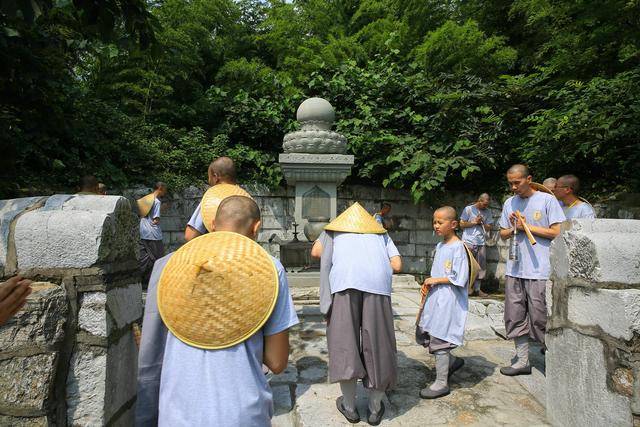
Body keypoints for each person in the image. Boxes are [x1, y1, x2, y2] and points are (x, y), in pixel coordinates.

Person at [136, 196, 298, 426]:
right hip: (242, 413)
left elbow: (153, 346)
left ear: (212, 224)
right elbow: (277, 361)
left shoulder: (167, 265)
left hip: (176, 413)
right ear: (256, 228)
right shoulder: (270, 269)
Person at [311, 202, 401, 425]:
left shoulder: (334, 230)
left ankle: (350, 407)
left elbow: (315, 252)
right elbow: (397, 265)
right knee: (378, 345)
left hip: (344, 284)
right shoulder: (380, 234)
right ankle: (374, 408)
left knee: (344, 344)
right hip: (377, 286)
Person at [498, 164, 565, 376]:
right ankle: (522, 361)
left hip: (540, 270)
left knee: (540, 317)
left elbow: (557, 232)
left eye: (517, 182)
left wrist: (528, 227)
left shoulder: (547, 200)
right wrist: (513, 227)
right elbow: (502, 234)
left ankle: (555, 361)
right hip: (515, 268)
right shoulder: (510, 203)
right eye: (510, 183)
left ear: (529, 179)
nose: (513, 187)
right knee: (514, 315)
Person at [416, 206, 477, 399]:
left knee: (440, 338)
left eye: (440, 222)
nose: (436, 226)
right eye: (434, 221)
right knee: (430, 331)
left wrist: (435, 280)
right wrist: (430, 284)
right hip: (437, 298)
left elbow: (460, 277)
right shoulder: (441, 245)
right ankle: (451, 363)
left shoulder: (458, 247)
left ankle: (442, 383)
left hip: (449, 300)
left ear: (453, 224)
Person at [184, 156, 239, 242]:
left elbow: (190, 236)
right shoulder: (245, 198)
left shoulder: (211, 199)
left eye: (209, 177)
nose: (208, 180)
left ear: (215, 177)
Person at [459, 193, 493, 297]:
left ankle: (478, 289)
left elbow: (489, 227)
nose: (485, 207)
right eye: (484, 204)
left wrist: (483, 222)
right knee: (467, 265)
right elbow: (461, 224)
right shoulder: (469, 209)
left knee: (480, 266)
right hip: (468, 241)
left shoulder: (488, 212)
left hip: (481, 242)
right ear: (479, 201)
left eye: (487, 205)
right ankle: (466, 288)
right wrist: (474, 222)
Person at [138, 182, 167, 288]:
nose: (166, 192)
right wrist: (161, 210)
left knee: (146, 257)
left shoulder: (146, 199)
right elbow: (155, 220)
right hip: (153, 234)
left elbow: (143, 215)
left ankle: (142, 281)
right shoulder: (157, 202)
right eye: (165, 189)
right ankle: (157, 282)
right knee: (158, 257)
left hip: (143, 231)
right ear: (160, 188)